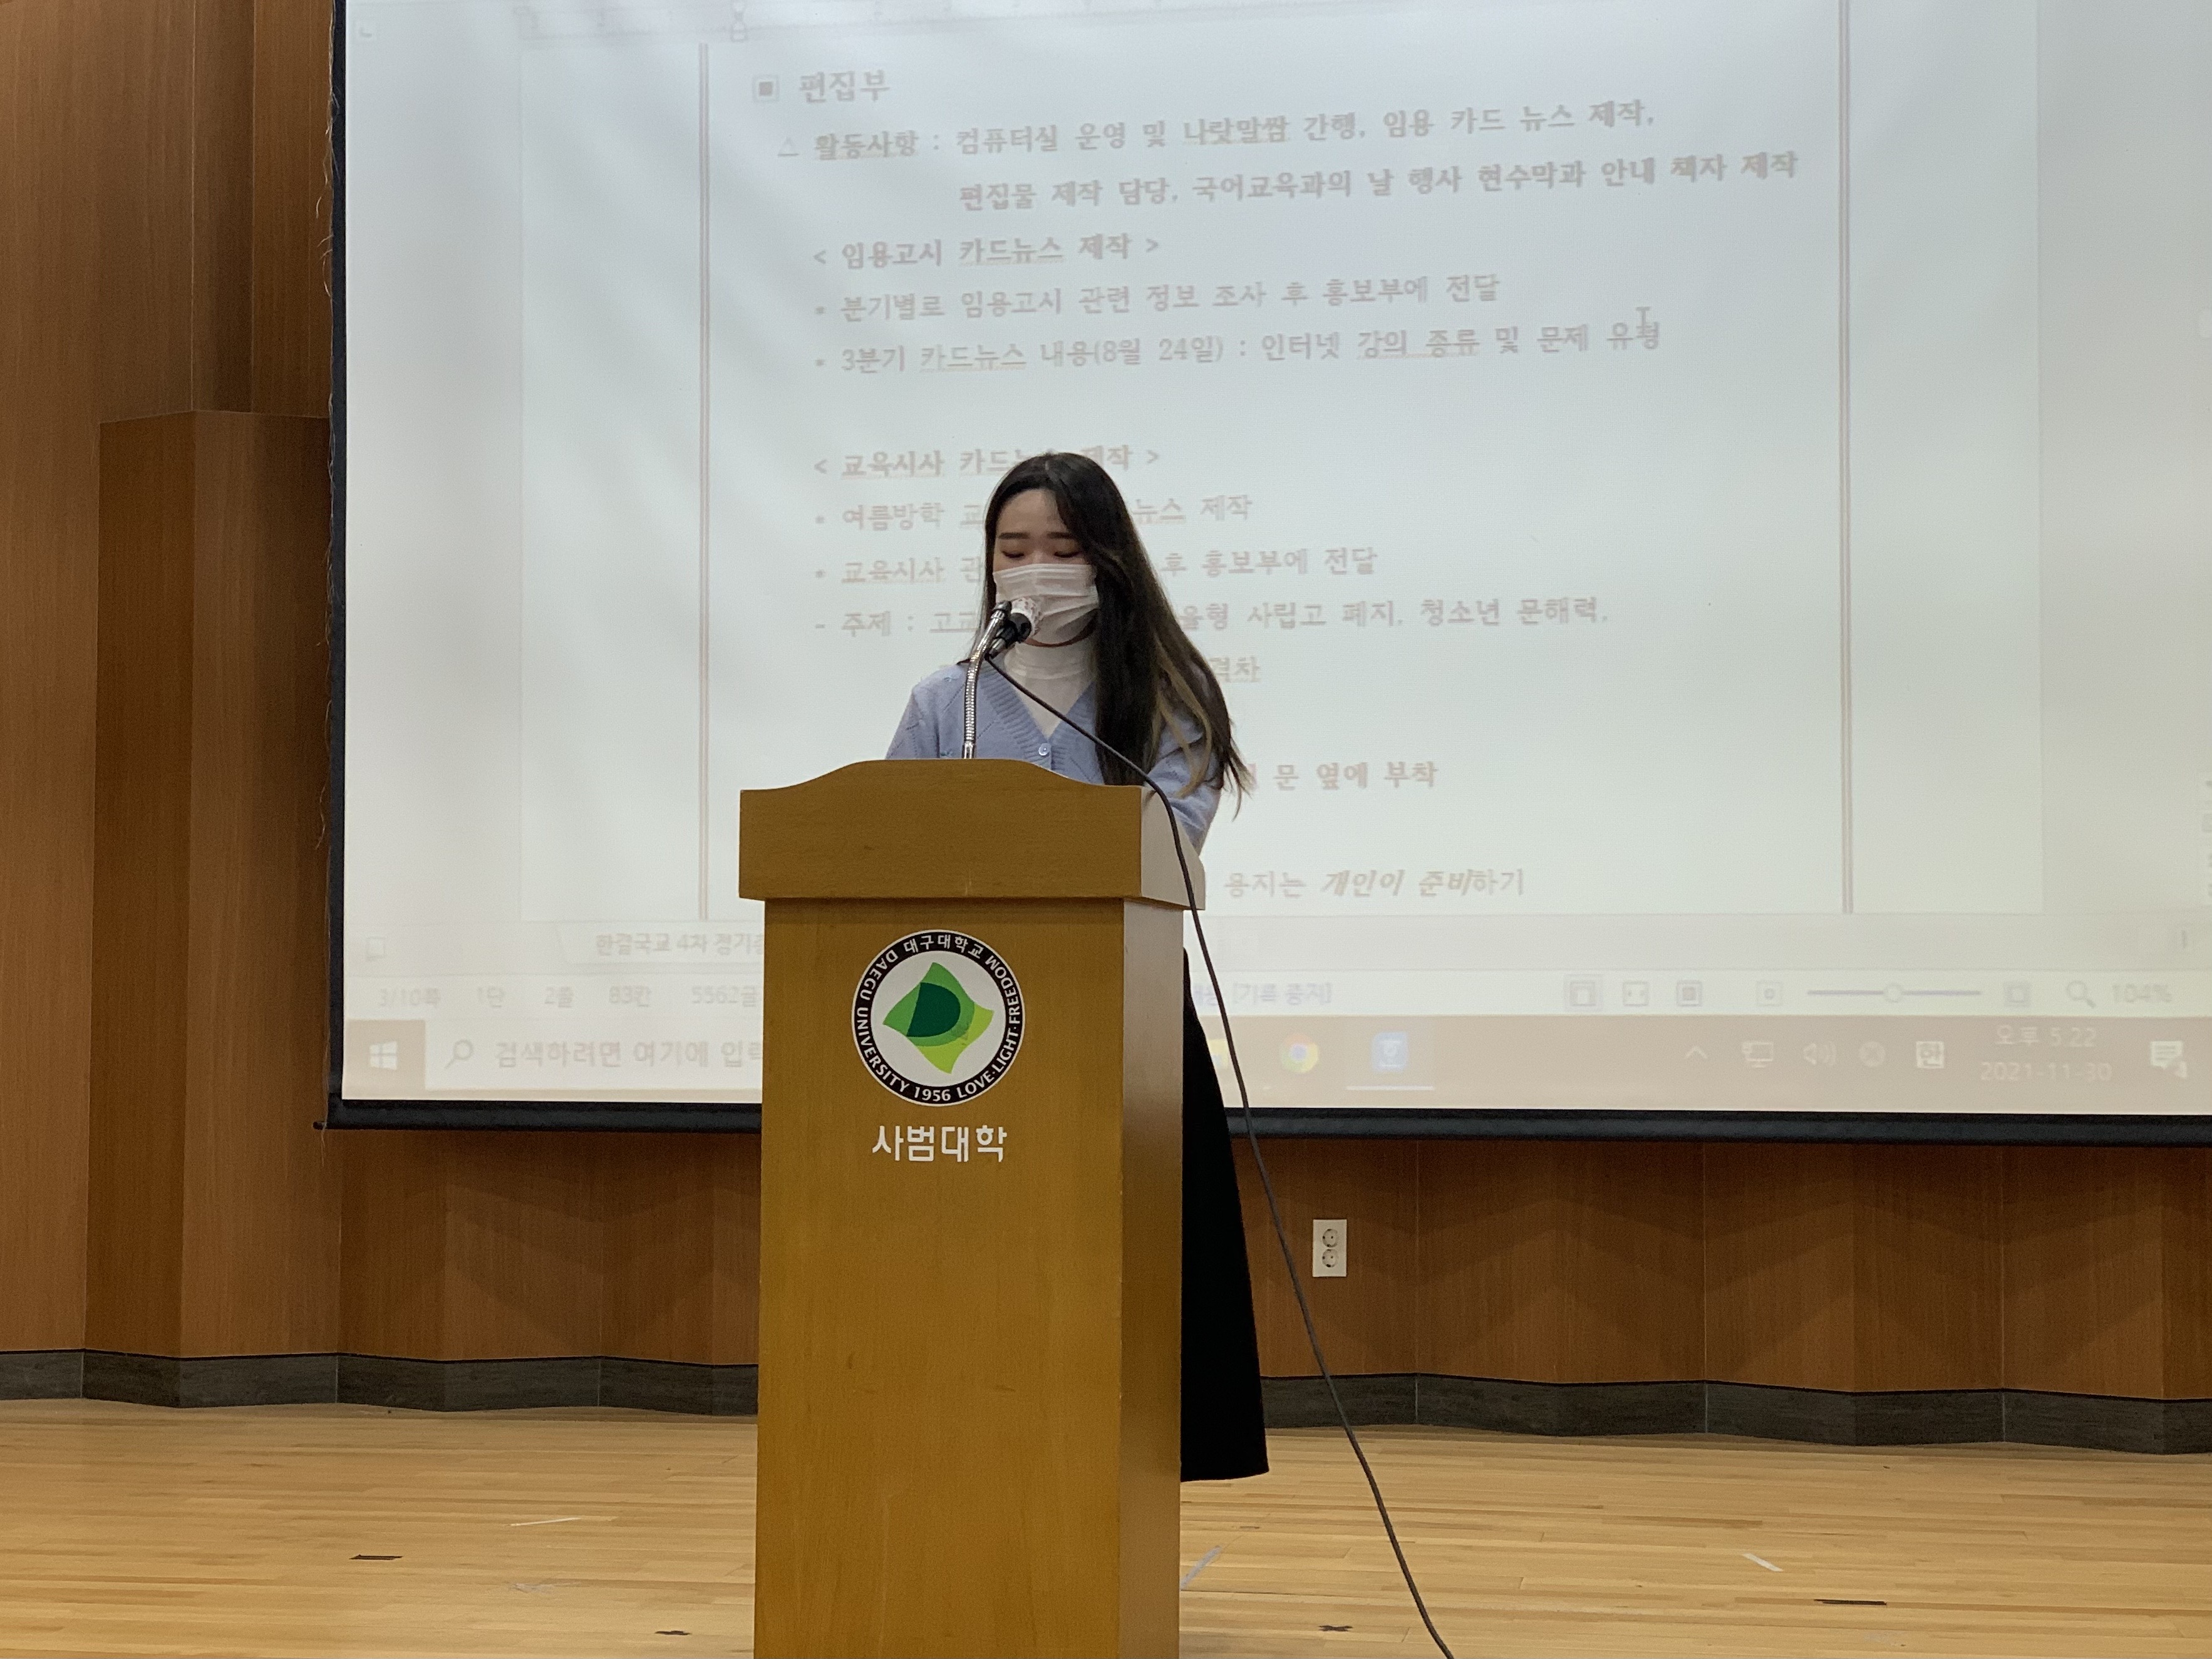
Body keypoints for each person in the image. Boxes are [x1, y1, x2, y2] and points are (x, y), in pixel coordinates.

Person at [886, 451, 1269, 1483]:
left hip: (1124, 1025)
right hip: (981, 1028)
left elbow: (1169, 846)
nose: (1036, 568)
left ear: (1107, 558)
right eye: (1013, 548)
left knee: (1127, 1268)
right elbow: (883, 845)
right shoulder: (948, 700)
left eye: (1061, 546)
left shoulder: (1171, 697)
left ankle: (1127, 1469)